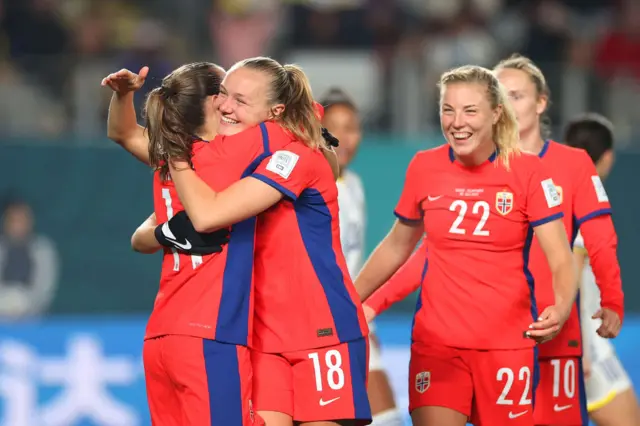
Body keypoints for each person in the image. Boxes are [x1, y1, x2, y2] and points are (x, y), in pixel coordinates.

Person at [362, 56, 626, 426]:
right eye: (448, 110)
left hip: (518, 342)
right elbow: (403, 248)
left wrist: (578, 303)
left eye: (470, 110)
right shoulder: (425, 166)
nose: (457, 121)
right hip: (437, 345)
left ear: (498, 112)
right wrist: (352, 299)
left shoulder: (536, 170)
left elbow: (569, 253)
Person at [113, 57, 371, 426]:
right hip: (261, 337)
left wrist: (172, 151)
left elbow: (205, 211)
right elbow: (134, 143)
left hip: (320, 331)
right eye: (222, 95)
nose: (225, 106)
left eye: (240, 100)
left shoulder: (289, 150)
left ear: (275, 111)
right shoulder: (223, 154)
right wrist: (155, 233)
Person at [102, 62, 270, 426]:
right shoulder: (233, 158)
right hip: (210, 332)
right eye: (227, 92)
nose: (233, 102)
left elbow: (122, 132)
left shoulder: (171, 157)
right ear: (215, 102)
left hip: (162, 335)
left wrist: (123, 93)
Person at [494, 55, 624, 426]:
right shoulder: (475, 165)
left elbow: (600, 237)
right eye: (500, 96)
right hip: (492, 333)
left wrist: (612, 298)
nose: (508, 105)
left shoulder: (573, 164)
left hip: (556, 332)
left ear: (541, 102)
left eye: (517, 95)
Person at [320, 88, 402, 426]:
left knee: (388, 419)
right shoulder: (309, 189)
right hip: (322, 328)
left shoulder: (353, 184)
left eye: (352, 127)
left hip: (357, 322)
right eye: (334, 127)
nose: (344, 137)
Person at [565, 113, 640, 426]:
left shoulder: (558, 192)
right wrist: (578, 348)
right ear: (607, 157)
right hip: (584, 346)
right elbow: (571, 282)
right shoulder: (584, 199)